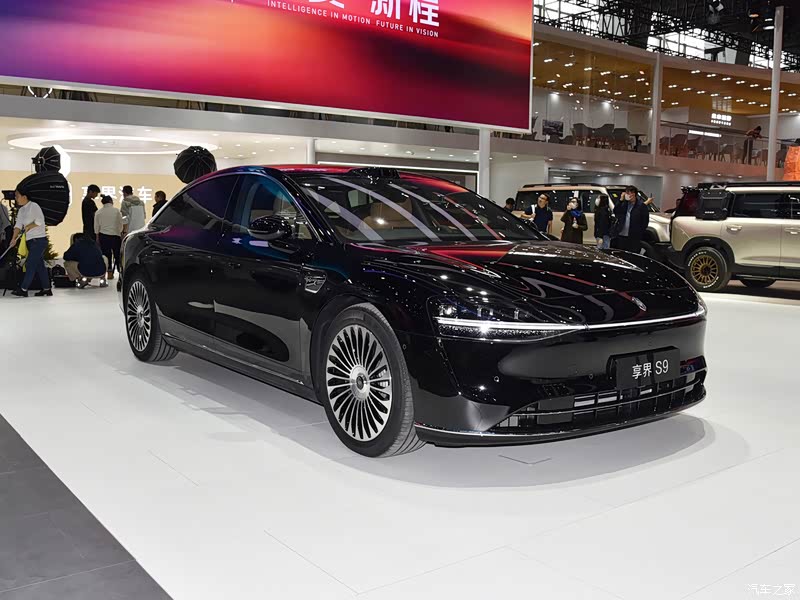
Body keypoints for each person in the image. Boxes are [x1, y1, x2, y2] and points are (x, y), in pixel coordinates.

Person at [8, 187, 52, 297]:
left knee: (30, 263)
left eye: (17, 196)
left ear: (24, 196)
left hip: (39, 240)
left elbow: (39, 221)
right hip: (30, 242)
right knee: (39, 266)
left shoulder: (34, 206)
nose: (16, 198)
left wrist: (29, 226)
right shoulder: (21, 210)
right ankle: (47, 289)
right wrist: (13, 239)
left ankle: (23, 289)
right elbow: (18, 226)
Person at [612, 185, 650, 254]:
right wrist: (620, 200)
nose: (627, 195)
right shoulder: (624, 204)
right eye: (626, 193)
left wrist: (639, 233)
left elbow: (645, 221)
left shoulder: (641, 206)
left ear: (633, 194)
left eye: (628, 193)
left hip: (634, 237)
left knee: (632, 255)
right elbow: (616, 211)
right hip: (621, 235)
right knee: (621, 254)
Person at [94, 194, 123, 280]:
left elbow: (96, 226)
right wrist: (120, 232)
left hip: (103, 236)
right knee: (117, 255)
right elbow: (120, 223)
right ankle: (120, 272)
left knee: (106, 256)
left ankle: (109, 272)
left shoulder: (98, 212)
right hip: (115, 236)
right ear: (111, 201)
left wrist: (97, 236)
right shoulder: (116, 211)